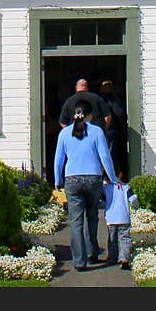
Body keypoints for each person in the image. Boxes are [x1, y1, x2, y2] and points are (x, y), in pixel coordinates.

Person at [53, 104, 118, 271]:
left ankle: (79, 261)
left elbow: (58, 159)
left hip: (72, 179)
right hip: (94, 178)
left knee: (76, 221)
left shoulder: (64, 133)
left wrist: (58, 180)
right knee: (92, 216)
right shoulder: (97, 131)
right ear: (89, 116)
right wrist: (112, 177)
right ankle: (92, 252)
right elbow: (105, 156)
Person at [103, 176, 138, 269]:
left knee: (112, 239)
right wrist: (136, 207)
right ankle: (124, 258)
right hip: (124, 217)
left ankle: (112, 258)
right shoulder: (126, 187)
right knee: (125, 238)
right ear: (121, 175)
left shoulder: (106, 188)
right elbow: (133, 198)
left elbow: (101, 199)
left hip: (111, 218)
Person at [100, 79, 129, 181]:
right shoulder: (112, 100)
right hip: (110, 131)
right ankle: (110, 178)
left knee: (104, 155)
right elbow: (119, 113)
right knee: (110, 155)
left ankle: (105, 178)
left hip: (105, 131)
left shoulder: (98, 100)